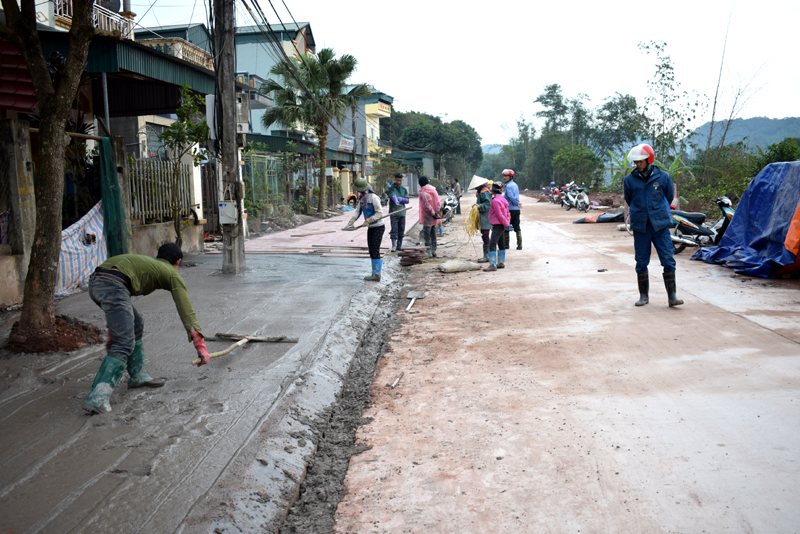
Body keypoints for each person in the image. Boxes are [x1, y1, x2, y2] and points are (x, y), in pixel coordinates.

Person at [83, 243, 209, 414]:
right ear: (177, 261)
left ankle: (138, 376)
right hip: (113, 285)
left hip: (96, 283)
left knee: (136, 323)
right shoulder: (171, 273)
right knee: (125, 343)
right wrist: (200, 345)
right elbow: (186, 310)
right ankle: (98, 398)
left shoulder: (149, 263)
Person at [623, 143, 683, 307]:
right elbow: (629, 199)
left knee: (668, 260)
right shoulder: (629, 180)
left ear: (649, 159)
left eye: (641, 161)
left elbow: (669, 196)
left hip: (660, 225)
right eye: (636, 162)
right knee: (641, 261)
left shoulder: (663, 177)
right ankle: (644, 296)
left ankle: (672, 297)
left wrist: (656, 211)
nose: (638, 164)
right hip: (641, 226)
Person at [346, 177, 385, 281]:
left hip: (378, 227)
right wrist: (351, 221)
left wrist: (370, 219)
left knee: (375, 250)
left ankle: (377, 274)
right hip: (371, 227)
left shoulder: (374, 198)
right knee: (371, 250)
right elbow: (357, 211)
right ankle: (374, 273)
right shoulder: (362, 199)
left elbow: (380, 213)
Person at [484, 182, 511, 271]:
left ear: (493, 191)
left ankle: (492, 264)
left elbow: (499, 214)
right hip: (502, 225)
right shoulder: (503, 199)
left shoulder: (495, 201)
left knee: (492, 244)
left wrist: (506, 224)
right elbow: (507, 213)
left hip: (497, 225)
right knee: (501, 243)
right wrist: (507, 223)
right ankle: (501, 262)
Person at [418, 176, 441, 258]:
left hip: (427, 217)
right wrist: (436, 212)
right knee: (433, 234)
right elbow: (438, 201)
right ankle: (434, 251)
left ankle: (429, 252)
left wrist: (432, 213)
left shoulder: (422, 192)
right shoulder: (433, 190)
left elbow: (426, 205)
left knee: (427, 235)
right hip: (434, 217)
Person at [386, 173, 410, 252]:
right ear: (394, 180)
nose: (399, 182)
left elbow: (407, 200)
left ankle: (399, 246)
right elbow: (393, 196)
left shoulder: (404, 189)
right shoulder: (391, 189)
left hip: (402, 213)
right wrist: (396, 201)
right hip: (394, 213)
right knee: (394, 229)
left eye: (400, 180)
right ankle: (394, 245)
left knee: (401, 229)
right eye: (397, 180)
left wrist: (402, 199)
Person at [503, 169, 522, 250]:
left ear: (510, 177)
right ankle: (519, 245)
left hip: (509, 209)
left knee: (506, 226)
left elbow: (511, 197)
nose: (504, 177)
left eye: (506, 176)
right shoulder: (515, 184)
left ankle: (506, 245)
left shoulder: (508, 186)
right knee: (517, 227)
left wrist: (516, 202)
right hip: (516, 209)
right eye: (504, 176)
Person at [475, 180, 492, 262]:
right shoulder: (481, 191)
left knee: (485, 234)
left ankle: (487, 255)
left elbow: (488, 204)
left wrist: (479, 206)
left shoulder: (484, 192)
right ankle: (487, 254)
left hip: (486, 216)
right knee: (484, 235)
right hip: (483, 216)